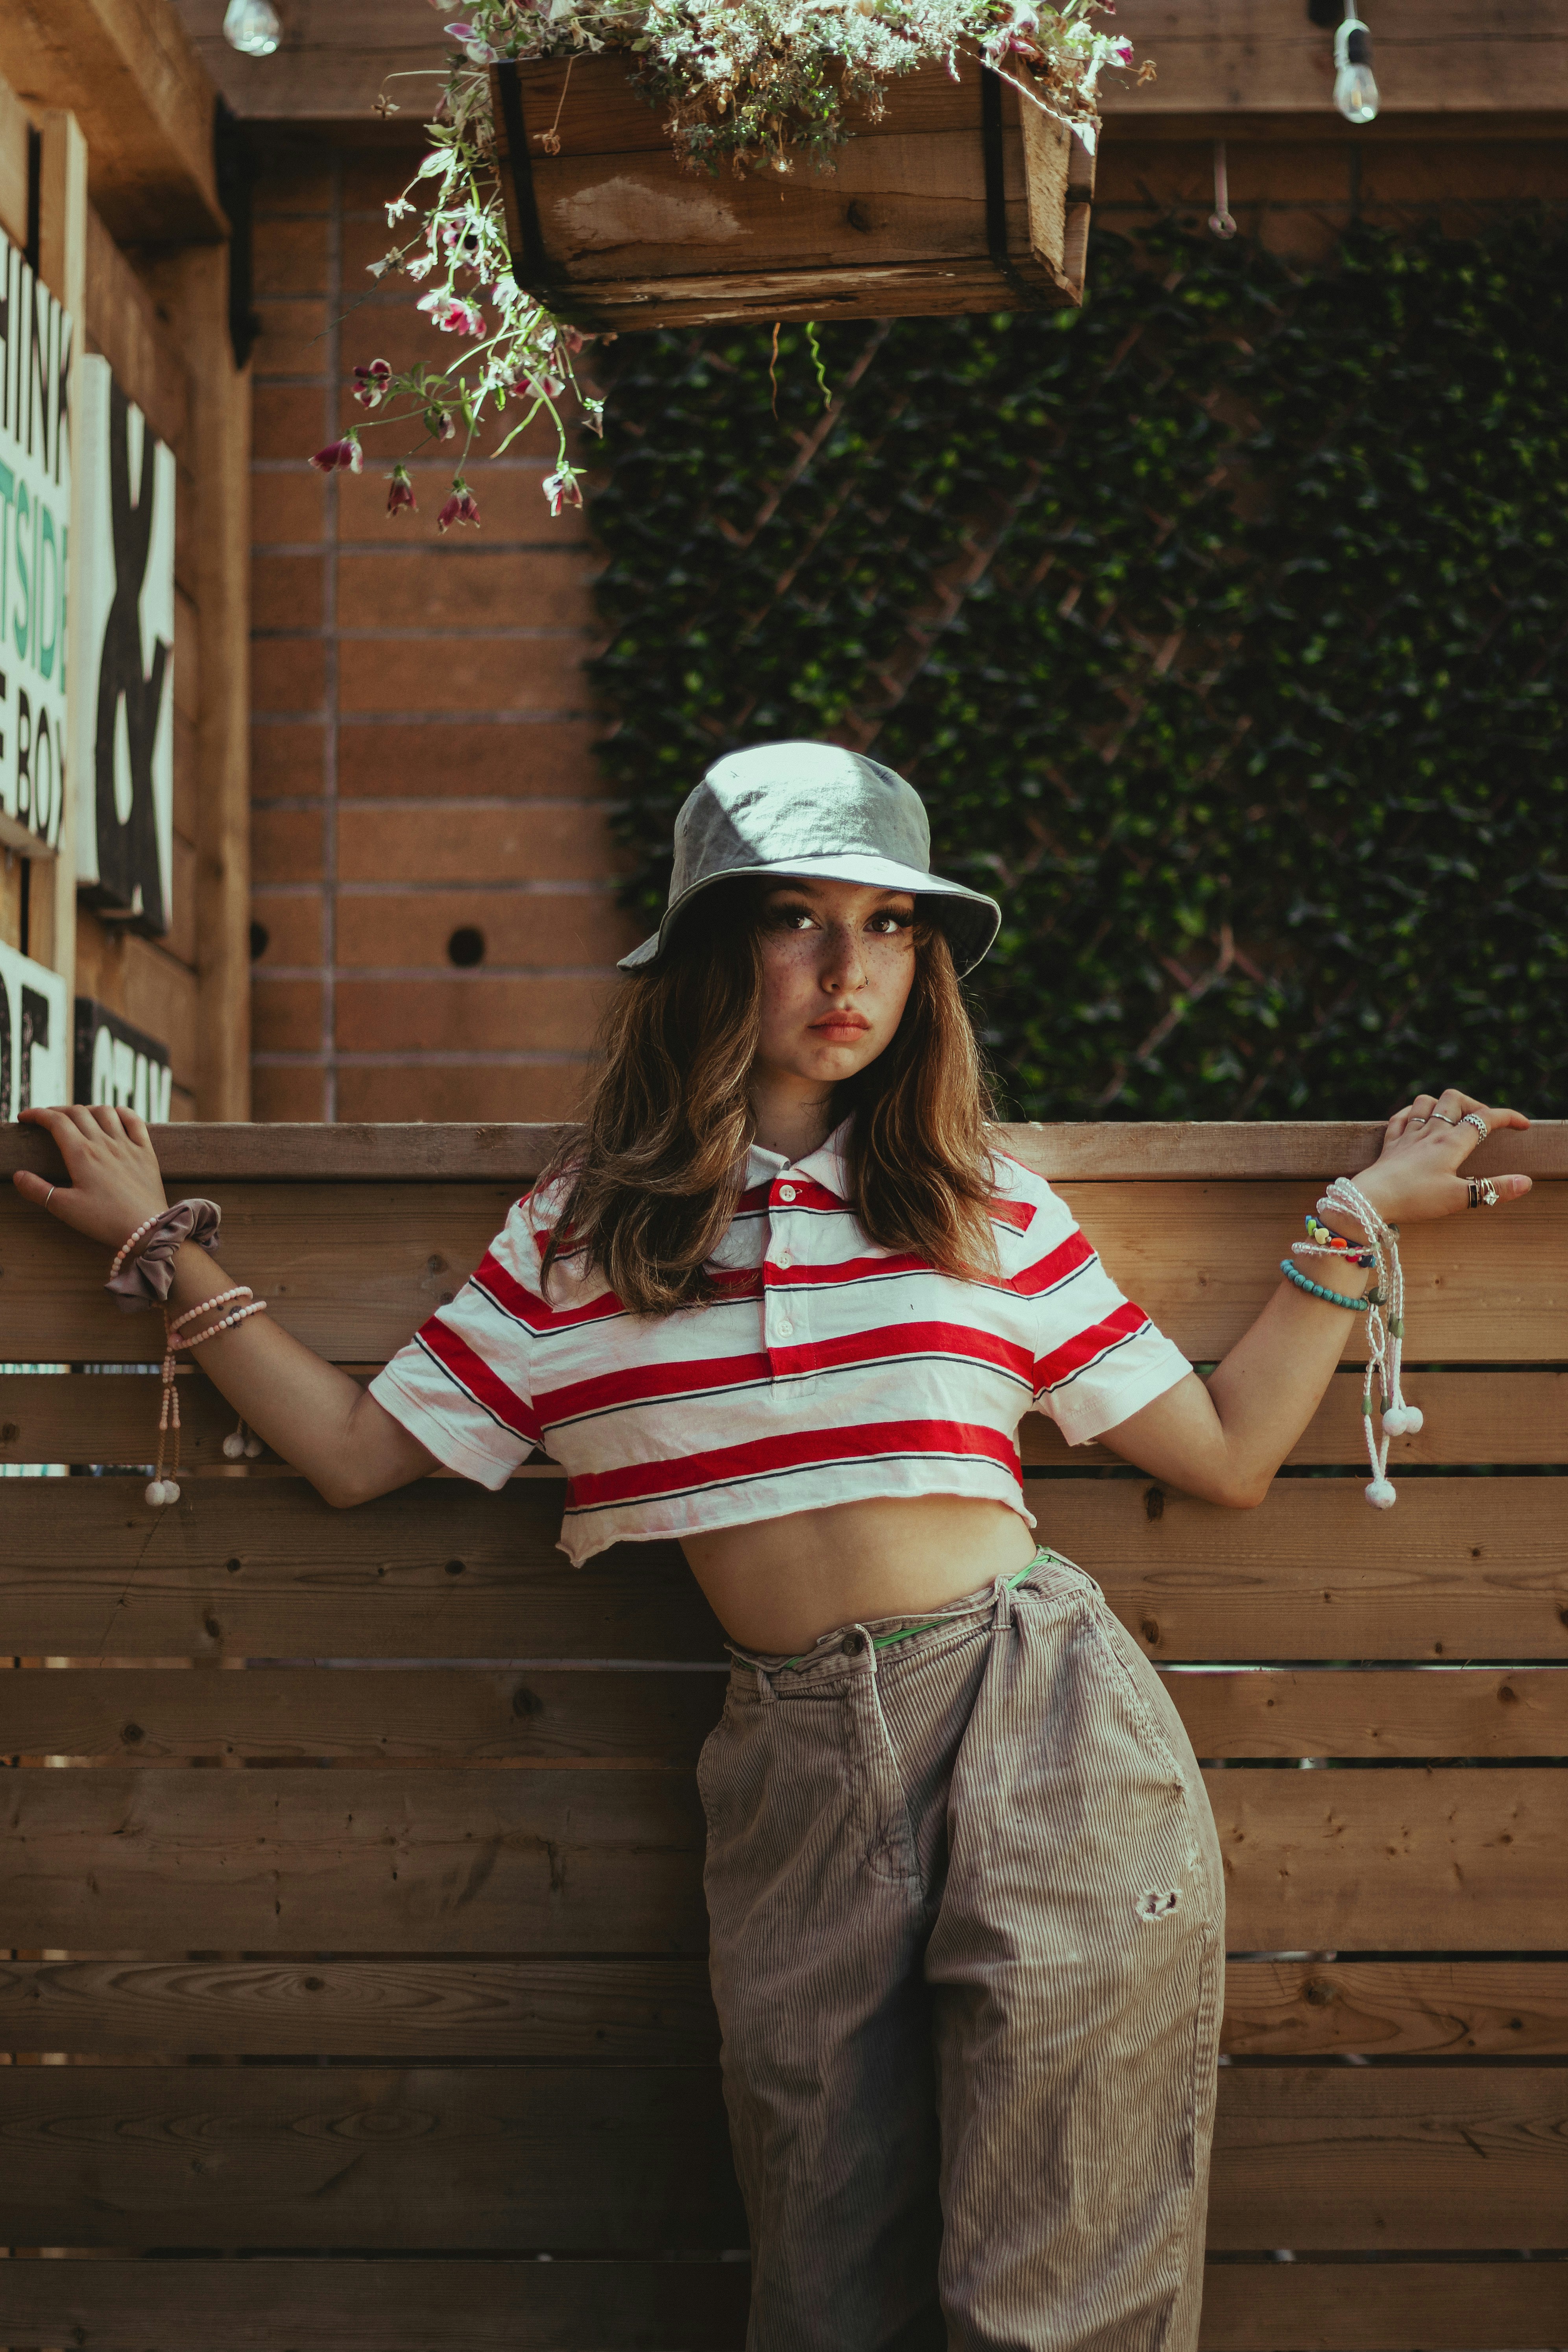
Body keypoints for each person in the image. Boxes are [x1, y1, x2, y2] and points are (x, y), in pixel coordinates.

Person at [14, 742, 1531, 2352]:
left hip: (1044, 1724)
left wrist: (1355, 1215)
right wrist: (154, 1239)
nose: (846, 968)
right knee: (824, 2295)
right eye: (798, 918)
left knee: (1054, 2295)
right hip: (793, 1763)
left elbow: (1225, 1453)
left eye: (888, 928)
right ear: (708, 948)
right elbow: (350, 1450)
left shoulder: (981, 1205)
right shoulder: (582, 1232)